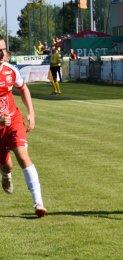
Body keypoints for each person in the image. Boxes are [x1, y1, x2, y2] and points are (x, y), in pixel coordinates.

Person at [0, 35, 46, 217]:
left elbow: (23, 88)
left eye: (3, 49)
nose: (2, 53)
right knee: (7, 166)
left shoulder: (10, 70)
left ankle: (38, 203)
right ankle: (5, 175)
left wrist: (31, 112)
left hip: (14, 121)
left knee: (22, 155)